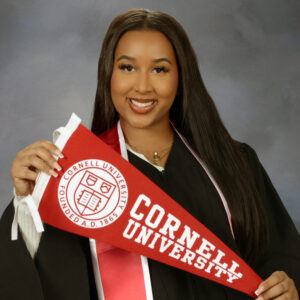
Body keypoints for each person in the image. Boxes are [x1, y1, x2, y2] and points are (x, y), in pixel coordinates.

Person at [1, 8, 299, 300]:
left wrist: (286, 285)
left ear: (181, 77)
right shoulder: (79, 172)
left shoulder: (234, 162)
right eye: (127, 67)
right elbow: (50, 278)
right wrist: (29, 201)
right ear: (109, 74)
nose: (142, 86)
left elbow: (278, 254)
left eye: (159, 69)